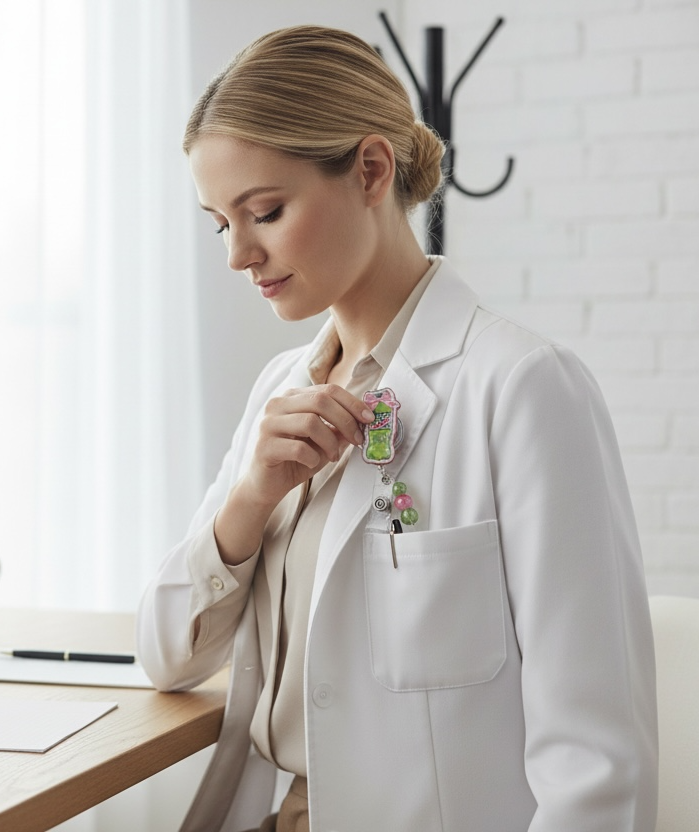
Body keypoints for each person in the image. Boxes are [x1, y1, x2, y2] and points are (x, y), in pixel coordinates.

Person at [136, 25, 657, 832]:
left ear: (372, 170)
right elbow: (167, 652)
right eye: (220, 223)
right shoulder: (281, 390)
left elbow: (596, 761)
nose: (239, 254)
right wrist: (248, 501)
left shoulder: (522, 389)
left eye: (264, 211)